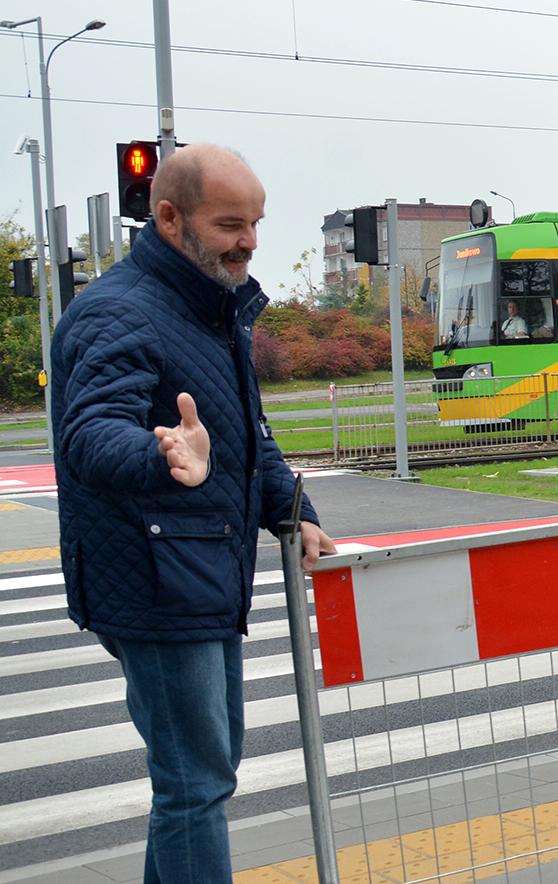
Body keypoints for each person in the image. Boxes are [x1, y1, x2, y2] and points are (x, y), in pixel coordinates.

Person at [49, 144, 338, 881]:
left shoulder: (211, 309)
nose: (248, 240)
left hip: (197, 568)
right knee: (194, 785)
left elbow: (252, 435)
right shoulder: (121, 313)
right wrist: (165, 457)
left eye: (256, 223)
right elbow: (90, 434)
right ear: (170, 218)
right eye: (230, 223)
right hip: (156, 579)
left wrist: (293, 509)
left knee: (200, 779)